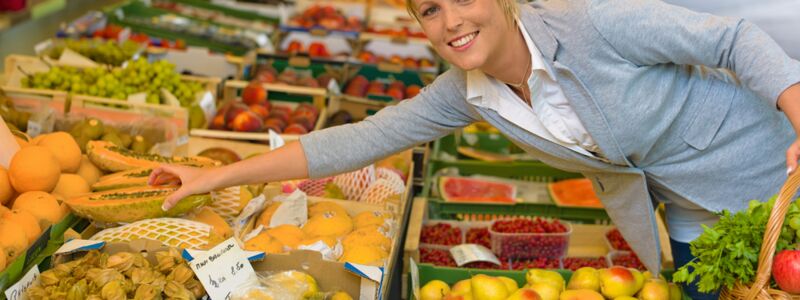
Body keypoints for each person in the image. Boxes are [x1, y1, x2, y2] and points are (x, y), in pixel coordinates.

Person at [149, 0, 800, 298]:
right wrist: (213, 177)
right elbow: (357, 140)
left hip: (769, 170)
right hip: (681, 217)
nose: (451, 21)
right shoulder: (465, 92)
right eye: (430, 11)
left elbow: (734, 41)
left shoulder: (591, 25)